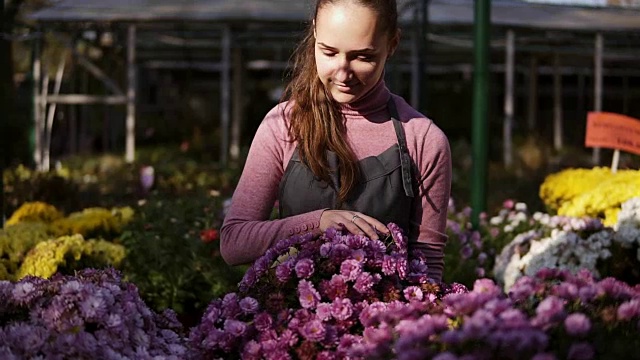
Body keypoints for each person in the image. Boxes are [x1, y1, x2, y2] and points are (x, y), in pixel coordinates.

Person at [220, 0, 452, 282]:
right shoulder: (284, 124)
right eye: (329, 52)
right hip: (293, 319)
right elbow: (234, 242)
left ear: (392, 44)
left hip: (386, 322)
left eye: (363, 57)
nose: (343, 73)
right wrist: (318, 223)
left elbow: (427, 265)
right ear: (315, 32)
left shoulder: (423, 140)